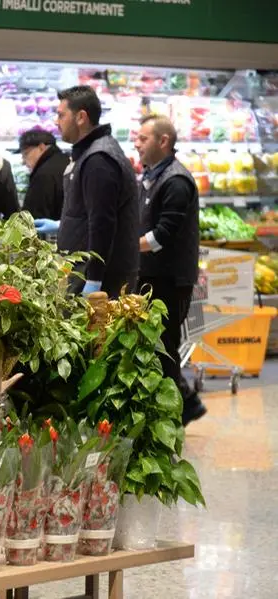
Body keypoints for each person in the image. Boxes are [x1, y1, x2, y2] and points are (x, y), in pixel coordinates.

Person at [134, 114, 207, 426]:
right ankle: (183, 405)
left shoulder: (176, 180)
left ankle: (181, 408)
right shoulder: (153, 176)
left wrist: (127, 247)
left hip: (170, 279)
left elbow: (164, 234)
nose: (136, 144)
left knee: (164, 346)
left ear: (162, 141)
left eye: (142, 138)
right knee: (157, 344)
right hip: (153, 275)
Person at [37, 86, 139, 297]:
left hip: (101, 280)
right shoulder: (91, 153)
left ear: (81, 117)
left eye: (61, 115)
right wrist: (62, 226)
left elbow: (103, 223)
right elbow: (90, 212)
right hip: (85, 271)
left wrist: (94, 280)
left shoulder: (99, 160)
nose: (56, 122)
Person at [15, 128, 70, 221]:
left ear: (41, 147)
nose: (23, 161)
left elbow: (33, 217)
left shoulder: (43, 174)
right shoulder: (66, 161)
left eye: (26, 154)